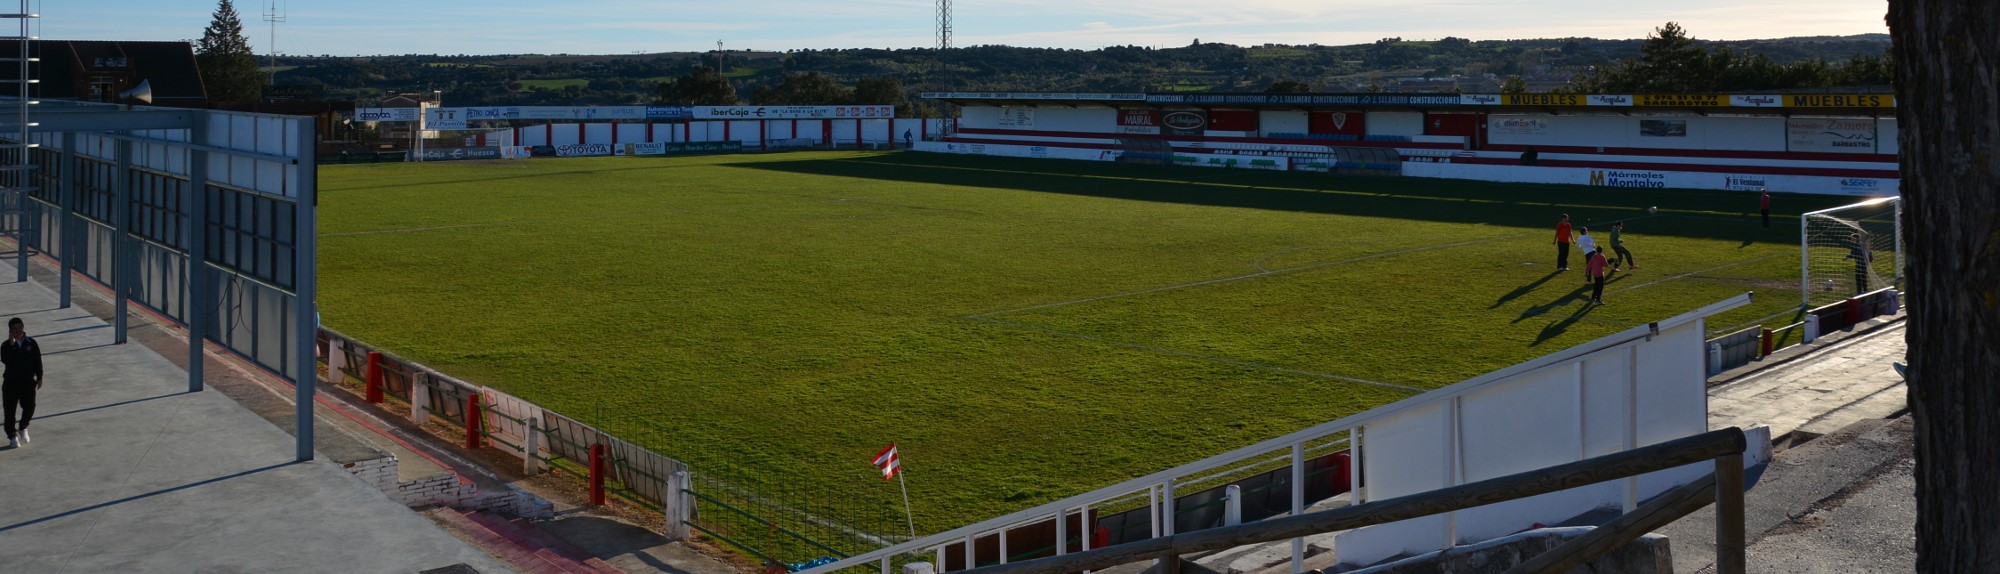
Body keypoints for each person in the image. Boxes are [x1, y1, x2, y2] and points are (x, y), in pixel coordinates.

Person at [3, 317, 43, 448]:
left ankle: (23, 427)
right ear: (10, 330)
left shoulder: (31, 343)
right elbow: (6, 360)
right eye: (14, 328)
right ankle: (12, 436)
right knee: (10, 411)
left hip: (27, 382)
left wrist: (40, 377)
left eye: (20, 327)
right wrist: (12, 344)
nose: (18, 330)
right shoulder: (5, 345)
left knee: (30, 407)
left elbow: (37, 361)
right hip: (11, 383)